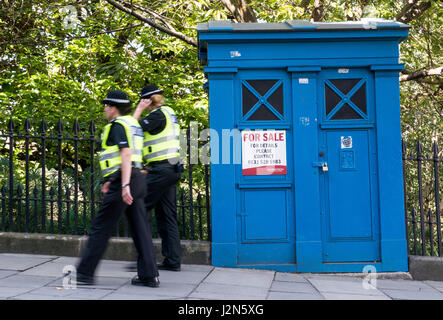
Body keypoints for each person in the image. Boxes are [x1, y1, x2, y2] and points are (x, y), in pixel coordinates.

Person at [73, 89, 160, 287]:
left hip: (126, 180)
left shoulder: (118, 125)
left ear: (113, 107)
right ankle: (149, 276)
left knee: (101, 227)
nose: (105, 109)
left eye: (106, 105)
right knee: (141, 230)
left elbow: (126, 154)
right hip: (136, 179)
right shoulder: (132, 124)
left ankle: (84, 273)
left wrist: (123, 184)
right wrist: (111, 180)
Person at [132, 84, 183, 272]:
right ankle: (172, 260)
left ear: (148, 100)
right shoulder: (169, 113)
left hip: (161, 170)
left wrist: (139, 110)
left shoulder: (156, 115)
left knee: (138, 209)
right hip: (170, 169)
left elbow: (130, 129)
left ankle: (144, 260)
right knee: (166, 215)